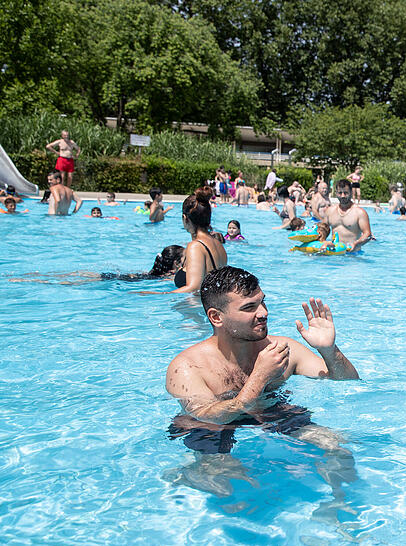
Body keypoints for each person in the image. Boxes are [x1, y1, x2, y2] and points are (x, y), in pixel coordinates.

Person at [164, 266, 358, 473]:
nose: (264, 313)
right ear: (216, 317)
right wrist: (259, 377)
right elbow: (208, 416)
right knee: (223, 477)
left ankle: (338, 502)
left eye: (262, 302)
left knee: (339, 448)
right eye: (249, 308)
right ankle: (185, 475)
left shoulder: (279, 348)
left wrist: (329, 351)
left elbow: (347, 382)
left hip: (268, 411)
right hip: (209, 428)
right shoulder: (187, 367)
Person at [12, 245, 185, 285]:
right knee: (75, 282)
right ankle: (37, 280)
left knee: (78, 276)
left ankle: (32, 278)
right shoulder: (167, 277)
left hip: (126, 277)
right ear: (176, 263)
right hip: (124, 282)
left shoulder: (155, 272)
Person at [164, 187, 228, 293]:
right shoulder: (218, 244)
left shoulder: (195, 246)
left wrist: (158, 295)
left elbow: (194, 287)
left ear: (185, 218)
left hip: (195, 308)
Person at [325, 179, 372, 252]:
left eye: (345, 193)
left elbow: (368, 235)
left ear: (351, 193)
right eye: (340, 193)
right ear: (336, 193)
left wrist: (356, 244)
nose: (342, 196)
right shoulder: (330, 211)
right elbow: (322, 230)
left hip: (353, 255)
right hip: (334, 253)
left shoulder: (359, 212)